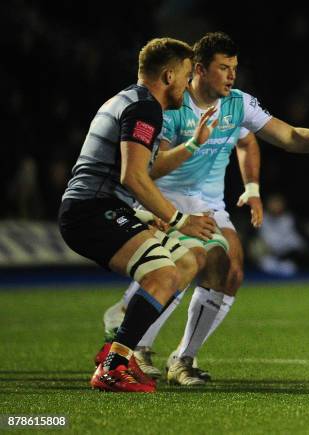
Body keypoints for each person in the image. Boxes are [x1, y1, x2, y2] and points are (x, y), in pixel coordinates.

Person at [98, 32, 309, 386]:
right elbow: (149, 169)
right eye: (223, 68)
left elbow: (285, 137)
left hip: (209, 202)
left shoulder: (237, 104)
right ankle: (137, 344)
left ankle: (182, 359)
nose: (232, 75)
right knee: (188, 263)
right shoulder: (171, 105)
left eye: (234, 68)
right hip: (163, 197)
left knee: (232, 269)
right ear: (198, 69)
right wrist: (192, 144)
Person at [58, 38, 220, 392]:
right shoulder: (145, 108)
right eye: (186, 75)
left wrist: (146, 213)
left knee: (188, 259)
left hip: (105, 206)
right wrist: (179, 219)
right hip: (90, 211)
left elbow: (137, 174)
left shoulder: (131, 101)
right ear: (168, 74)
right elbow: (132, 176)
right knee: (162, 273)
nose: (189, 84)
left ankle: (118, 343)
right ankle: (115, 361)